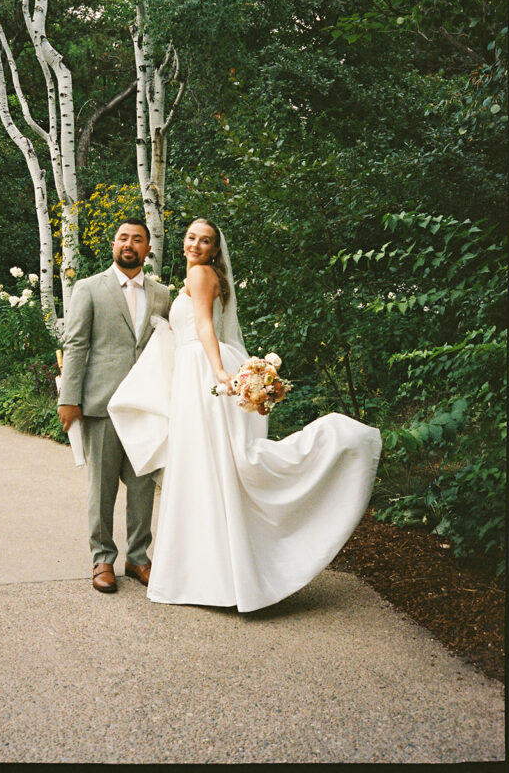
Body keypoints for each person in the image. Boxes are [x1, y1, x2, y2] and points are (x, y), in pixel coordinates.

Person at [107, 218, 382, 613]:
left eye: (205, 241)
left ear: (215, 250)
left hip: (203, 372)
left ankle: (334, 440)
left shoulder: (201, 275)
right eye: (191, 238)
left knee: (209, 467)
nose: (195, 245)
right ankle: (220, 575)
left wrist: (219, 371)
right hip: (196, 371)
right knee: (213, 469)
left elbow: (203, 325)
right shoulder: (199, 274)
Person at [57, 218, 171, 594]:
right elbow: (76, 345)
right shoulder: (89, 288)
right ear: (112, 244)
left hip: (145, 407)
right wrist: (69, 399)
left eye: (138, 239)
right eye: (123, 237)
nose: (130, 244)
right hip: (101, 406)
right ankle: (102, 560)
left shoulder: (161, 295)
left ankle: (138, 557)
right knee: (101, 488)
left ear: (147, 248)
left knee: (141, 489)